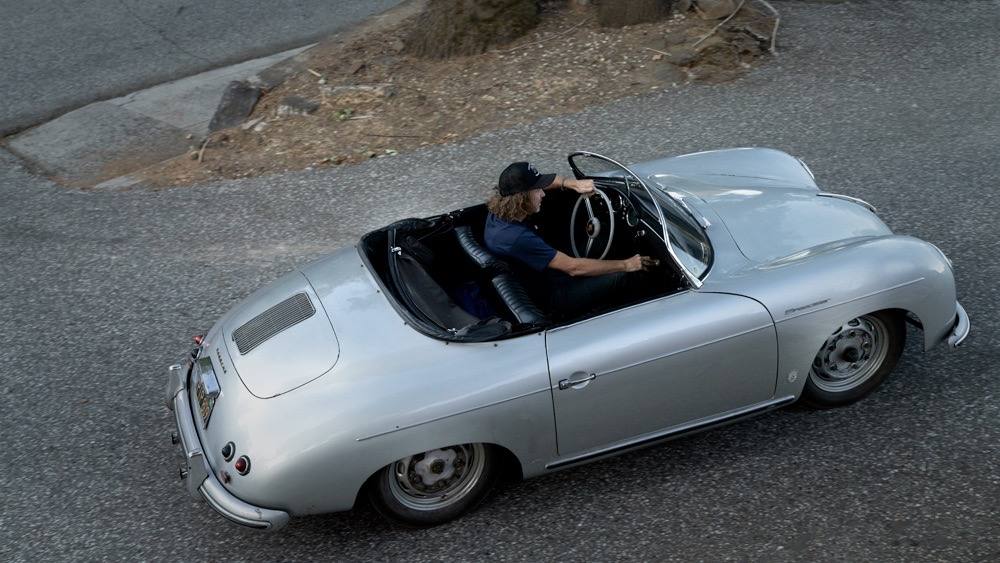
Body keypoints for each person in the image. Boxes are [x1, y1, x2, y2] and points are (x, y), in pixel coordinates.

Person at [484, 161, 658, 319]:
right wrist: (627, 264)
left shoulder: (502, 211)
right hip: (554, 296)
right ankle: (648, 313)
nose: (543, 194)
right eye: (537, 191)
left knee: (599, 240)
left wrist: (571, 183)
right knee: (624, 276)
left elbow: (545, 184)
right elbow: (574, 268)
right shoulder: (516, 238)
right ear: (521, 198)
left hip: (543, 275)